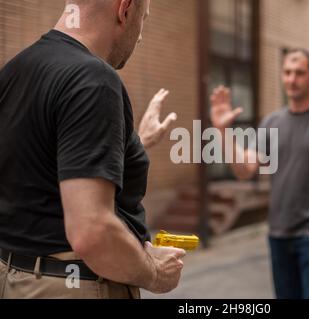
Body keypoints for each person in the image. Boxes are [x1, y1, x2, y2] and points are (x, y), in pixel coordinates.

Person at [0, 0, 185, 299]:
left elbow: (42, 164)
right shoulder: (94, 79)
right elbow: (92, 231)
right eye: (144, 18)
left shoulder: (15, 70)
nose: (140, 35)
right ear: (124, 9)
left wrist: (133, 143)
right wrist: (154, 272)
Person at [210, 48, 309, 299]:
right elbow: (245, 170)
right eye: (287, 72)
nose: (292, 79)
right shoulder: (272, 122)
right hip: (279, 232)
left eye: (299, 73)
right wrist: (222, 132)